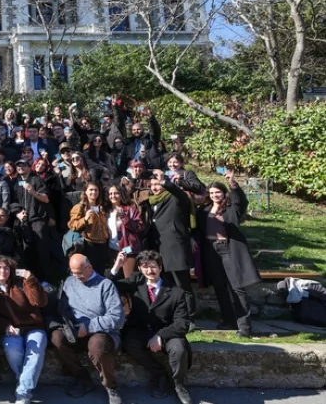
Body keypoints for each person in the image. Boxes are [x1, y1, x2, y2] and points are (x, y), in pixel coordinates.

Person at [109, 250, 192, 404]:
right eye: (145, 267)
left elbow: (182, 324)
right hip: (139, 330)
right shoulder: (136, 281)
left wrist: (160, 336)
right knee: (130, 344)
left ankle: (179, 384)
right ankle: (160, 375)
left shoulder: (176, 292)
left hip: (167, 332)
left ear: (160, 267)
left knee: (179, 349)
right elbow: (108, 286)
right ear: (139, 268)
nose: (150, 271)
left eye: (153, 266)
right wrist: (116, 267)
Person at [49, 254, 125, 404]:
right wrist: (68, 324)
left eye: (79, 272)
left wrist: (90, 326)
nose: (76, 277)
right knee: (56, 338)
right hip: (74, 329)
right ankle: (82, 378)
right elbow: (63, 307)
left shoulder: (105, 285)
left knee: (97, 345)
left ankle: (110, 386)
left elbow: (117, 317)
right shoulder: (69, 282)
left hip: (101, 331)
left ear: (89, 267)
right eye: (73, 272)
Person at [196, 172, 261, 338]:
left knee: (237, 288)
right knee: (220, 288)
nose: (214, 195)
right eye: (211, 193)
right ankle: (228, 320)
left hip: (229, 249)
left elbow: (240, 200)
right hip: (212, 250)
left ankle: (245, 327)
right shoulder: (203, 210)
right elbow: (199, 230)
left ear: (223, 193)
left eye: (217, 192)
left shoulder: (232, 208)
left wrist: (233, 183)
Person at [0, 256, 48, 404]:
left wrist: (31, 279)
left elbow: (40, 302)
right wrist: (4, 326)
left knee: (35, 351)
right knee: (12, 350)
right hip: (10, 330)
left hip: (33, 327)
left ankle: (23, 392)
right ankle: (24, 381)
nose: (2, 271)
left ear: (11, 270)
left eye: (5, 268)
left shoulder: (21, 283)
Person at [141, 171, 196, 319]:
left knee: (182, 285)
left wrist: (165, 181)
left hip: (175, 250)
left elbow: (180, 194)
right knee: (167, 286)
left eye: (157, 184)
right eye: (152, 185)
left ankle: (189, 317)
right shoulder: (151, 202)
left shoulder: (174, 198)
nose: (155, 187)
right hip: (159, 251)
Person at [67, 182, 110, 275]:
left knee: (101, 272)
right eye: (91, 190)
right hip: (89, 244)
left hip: (103, 244)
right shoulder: (80, 207)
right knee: (89, 273)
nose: (94, 192)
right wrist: (85, 219)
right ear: (85, 192)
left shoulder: (101, 207)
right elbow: (72, 225)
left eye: (96, 190)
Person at [105, 184, 144, 278]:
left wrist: (124, 217)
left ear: (121, 194)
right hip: (112, 250)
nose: (113, 196)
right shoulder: (107, 211)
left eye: (116, 193)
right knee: (116, 279)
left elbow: (139, 226)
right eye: (110, 193)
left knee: (129, 279)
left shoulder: (130, 209)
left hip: (128, 250)